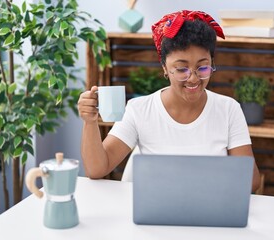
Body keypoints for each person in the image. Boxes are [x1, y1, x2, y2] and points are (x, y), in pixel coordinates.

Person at [78, 10, 261, 192]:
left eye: (203, 67)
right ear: (165, 68)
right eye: (182, 69)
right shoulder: (139, 110)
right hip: (156, 213)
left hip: (210, 210)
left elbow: (251, 182)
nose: (193, 78)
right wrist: (90, 122)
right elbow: (96, 169)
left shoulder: (228, 109)